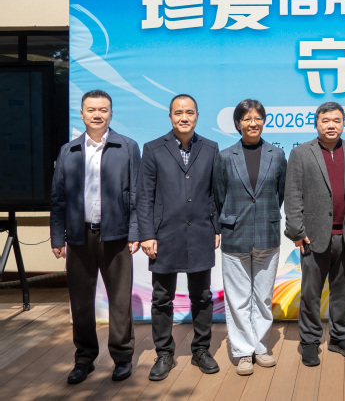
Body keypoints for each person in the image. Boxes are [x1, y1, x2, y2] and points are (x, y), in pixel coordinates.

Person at [50, 90, 139, 384]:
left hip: (117, 236)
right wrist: (57, 237)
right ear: (82, 114)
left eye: (103, 109)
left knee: (120, 301)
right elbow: (58, 198)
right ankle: (84, 359)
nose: (97, 114)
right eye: (91, 110)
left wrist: (135, 232)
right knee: (81, 302)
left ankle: (122, 358)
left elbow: (136, 195)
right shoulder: (68, 151)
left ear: (111, 113)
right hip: (78, 237)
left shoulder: (127, 147)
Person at [131, 94, 221, 381]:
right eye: (178, 112)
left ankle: (201, 350)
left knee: (202, 296)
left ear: (197, 116)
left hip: (201, 233)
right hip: (163, 235)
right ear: (170, 116)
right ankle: (164, 354)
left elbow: (215, 193)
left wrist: (216, 227)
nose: (184, 117)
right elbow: (144, 196)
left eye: (189, 112)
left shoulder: (210, 148)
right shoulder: (153, 149)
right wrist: (147, 234)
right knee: (162, 298)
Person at [212, 99, 286, 376]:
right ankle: (243, 351)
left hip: (267, 234)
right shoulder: (224, 156)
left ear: (263, 121)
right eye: (247, 119)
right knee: (238, 299)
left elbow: (279, 194)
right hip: (235, 234)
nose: (253, 123)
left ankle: (261, 347)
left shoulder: (277, 155)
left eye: (257, 118)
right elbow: (219, 196)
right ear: (238, 123)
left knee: (263, 297)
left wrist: (264, 216)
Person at [284, 102, 345, 367]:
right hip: (313, 237)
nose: (331, 125)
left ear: (344, 123)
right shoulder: (301, 153)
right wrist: (296, 231)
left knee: (343, 291)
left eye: (336, 120)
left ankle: (339, 337)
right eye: (325, 120)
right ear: (316, 123)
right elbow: (292, 195)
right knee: (311, 293)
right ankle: (310, 341)